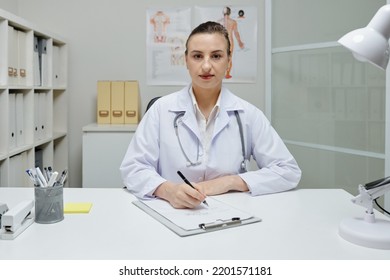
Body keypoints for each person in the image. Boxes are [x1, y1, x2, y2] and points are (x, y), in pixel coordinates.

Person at [120, 21, 301, 209]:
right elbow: (133, 168)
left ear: (229, 61)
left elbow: (288, 171)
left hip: (231, 212)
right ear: (186, 61)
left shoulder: (248, 114)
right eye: (197, 56)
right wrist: (168, 190)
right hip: (171, 211)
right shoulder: (160, 110)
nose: (206, 66)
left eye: (216, 56)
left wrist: (230, 182)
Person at [218, 6, 245, 79]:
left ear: (223, 12)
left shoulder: (219, 21)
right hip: (230, 41)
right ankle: (227, 74)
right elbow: (236, 33)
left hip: (221, 42)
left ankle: (220, 73)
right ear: (229, 13)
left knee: (220, 57)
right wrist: (240, 42)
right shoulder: (233, 22)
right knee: (229, 57)